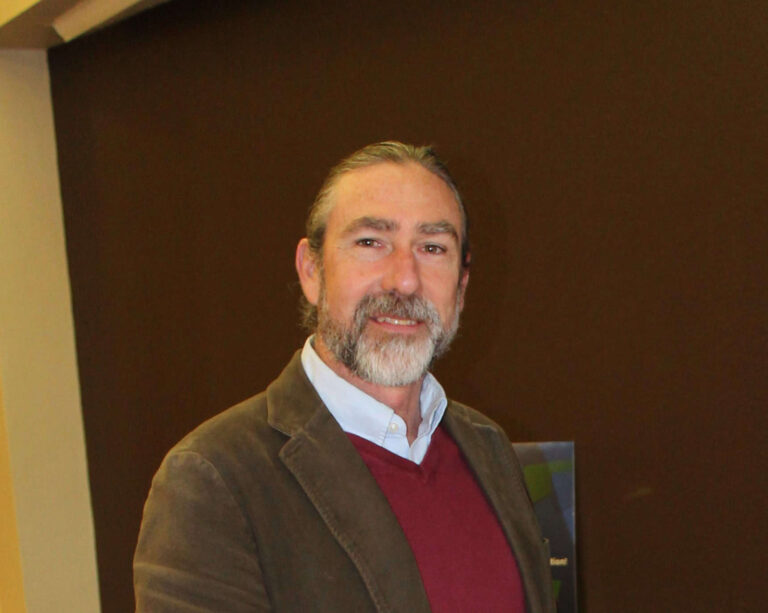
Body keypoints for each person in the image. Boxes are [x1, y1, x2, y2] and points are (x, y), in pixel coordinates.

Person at [133, 142, 554, 612]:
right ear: (311, 270)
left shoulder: (489, 450)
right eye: (370, 242)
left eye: (433, 247)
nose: (404, 279)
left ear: (461, 286)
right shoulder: (215, 479)